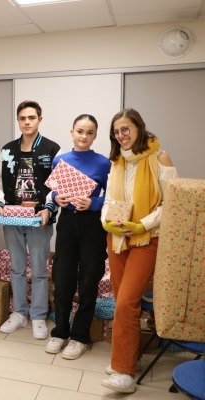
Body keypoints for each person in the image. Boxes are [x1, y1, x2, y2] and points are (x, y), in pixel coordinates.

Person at [100, 109, 177, 394]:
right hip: (118, 239)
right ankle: (128, 358)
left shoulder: (160, 158)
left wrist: (141, 225)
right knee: (123, 302)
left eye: (126, 129)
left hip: (147, 239)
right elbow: (108, 200)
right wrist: (107, 221)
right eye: (117, 131)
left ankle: (124, 373)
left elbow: (171, 203)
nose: (121, 135)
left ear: (139, 128)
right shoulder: (117, 161)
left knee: (125, 303)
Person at [44, 115, 110, 359]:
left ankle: (79, 337)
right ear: (72, 132)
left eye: (89, 132)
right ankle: (60, 332)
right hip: (68, 223)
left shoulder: (104, 163)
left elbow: (111, 198)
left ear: (95, 135)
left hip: (92, 226)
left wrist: (94, 202)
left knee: (89, 281)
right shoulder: (60, 160)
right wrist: (55, 199)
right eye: (80, 131)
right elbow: (53, 193)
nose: (84, 136)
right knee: (63, 279)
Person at [0, 100, 60, 339]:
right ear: (18, 121)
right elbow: (0, 183)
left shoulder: (52, 149)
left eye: (31, 117)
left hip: (39, 218)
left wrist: (49, 209)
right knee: (17, 267)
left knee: (40, 270)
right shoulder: (7, 150)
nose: (27, 122)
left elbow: (56, 186)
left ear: (39, 120)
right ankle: (20, 313)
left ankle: (39, 315)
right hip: (12, 217)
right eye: (22, 118)